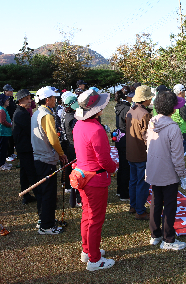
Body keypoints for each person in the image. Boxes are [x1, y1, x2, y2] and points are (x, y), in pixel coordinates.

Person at [73, 89, 117, 271]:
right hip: (95, 179)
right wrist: (114, 168)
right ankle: (94, 259)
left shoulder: (79, 125)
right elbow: (104, 160)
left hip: (82, 176)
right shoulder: (97, 129)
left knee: (87, 215)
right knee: (95, 220)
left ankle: (88, 250)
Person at [146, 91, 186, 251]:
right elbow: (177, 156)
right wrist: (182, 175)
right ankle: (168, 239)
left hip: (154, 169)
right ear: (173, 109)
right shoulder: (173, 128)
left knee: (156, 202)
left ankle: (155, 234)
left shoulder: (152, 123)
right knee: (170, 205)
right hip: (168, 172)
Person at [31, 86, 67, 235]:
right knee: (49, 193)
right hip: (46, 158)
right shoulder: (46, 115)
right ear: (47, 99)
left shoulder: (36, 113)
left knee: (43, 191)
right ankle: (46, 226)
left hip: (39, 156)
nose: (56, 100)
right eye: (54, 98)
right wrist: (61, 154)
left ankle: (44, 219)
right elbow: (53, 138)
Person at [126, 85, 154, 220]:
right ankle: (140, 210)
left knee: (133, 180)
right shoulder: (145, 114)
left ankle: (133, 206)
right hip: (142, 153)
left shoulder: (130, 111)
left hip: (131, 152)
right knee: (142, 182)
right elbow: (147, 136)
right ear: (146, 99)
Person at [12, 89, 37, 205]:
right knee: (31, 172)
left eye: (29, 98)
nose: (29, 101)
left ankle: (25, 194)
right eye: (27, 99)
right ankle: (39, 194)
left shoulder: (22, 112)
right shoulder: (21, 113)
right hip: (25, 147)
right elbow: (30, 131)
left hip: (23, 147)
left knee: (24, 172)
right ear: (20, 100)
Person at [114, 86, 131, 200]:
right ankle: (124, 193)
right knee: (126, 167)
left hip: (120, 137)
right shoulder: (127, 109)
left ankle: (120, 190)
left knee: (122, 166)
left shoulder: (118, 106)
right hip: (126, 139)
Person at [0, 94, 13, 171]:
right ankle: (1, 165)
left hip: (5, 133)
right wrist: (11, 124)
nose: (8, 101)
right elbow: (2, 121)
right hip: (2, 133)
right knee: (2, 149)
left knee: (4, 149)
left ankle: (3, 163)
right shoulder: (1, 110)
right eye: (7, 100)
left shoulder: (4, 109)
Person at [172, 84, 186, 150]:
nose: (185, 94)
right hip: (182, 132)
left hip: (173, 131)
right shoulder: (180, 104)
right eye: (184, 92)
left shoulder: (171, 102)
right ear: (180, 92)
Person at [3, 84, 17, 162]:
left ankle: (11, 153)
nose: (12, 92)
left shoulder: (11, 99)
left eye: (12, 90)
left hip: (12, 120)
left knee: (12, 138)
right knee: (8, 139)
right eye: (10, 91)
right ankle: (7, 154)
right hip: (8, 120)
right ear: (6, 91)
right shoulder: (4, 99)